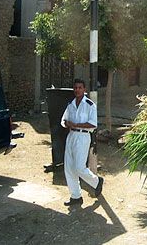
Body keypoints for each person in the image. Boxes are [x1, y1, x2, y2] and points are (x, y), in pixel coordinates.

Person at [61, 78, 103, 206]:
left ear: (84, 90)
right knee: (69, 168)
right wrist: (67, 123)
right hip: (71, 136)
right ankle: (76, 196)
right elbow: (63, 120)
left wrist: (77, 124)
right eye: (75, 88)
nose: (77, 90)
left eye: (80, 87)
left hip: (83, 137)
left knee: (79, 167)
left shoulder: (90, 105)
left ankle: (96, 182)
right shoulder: (70, 104)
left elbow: (93, 124)